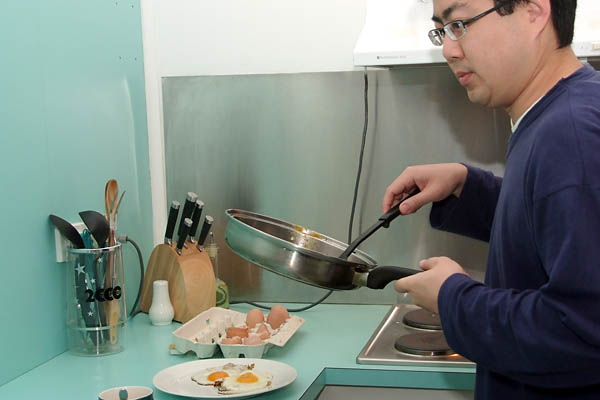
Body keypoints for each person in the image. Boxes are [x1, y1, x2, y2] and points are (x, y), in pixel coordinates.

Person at [381, 0, 600, 398]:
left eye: (460, 23)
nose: (448, 48)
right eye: (442, 30)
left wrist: (454, 299)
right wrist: (468, 187)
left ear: (534, 12)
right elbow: (553, 228)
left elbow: (583, 331)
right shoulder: (557, 113)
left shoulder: (569, 134)